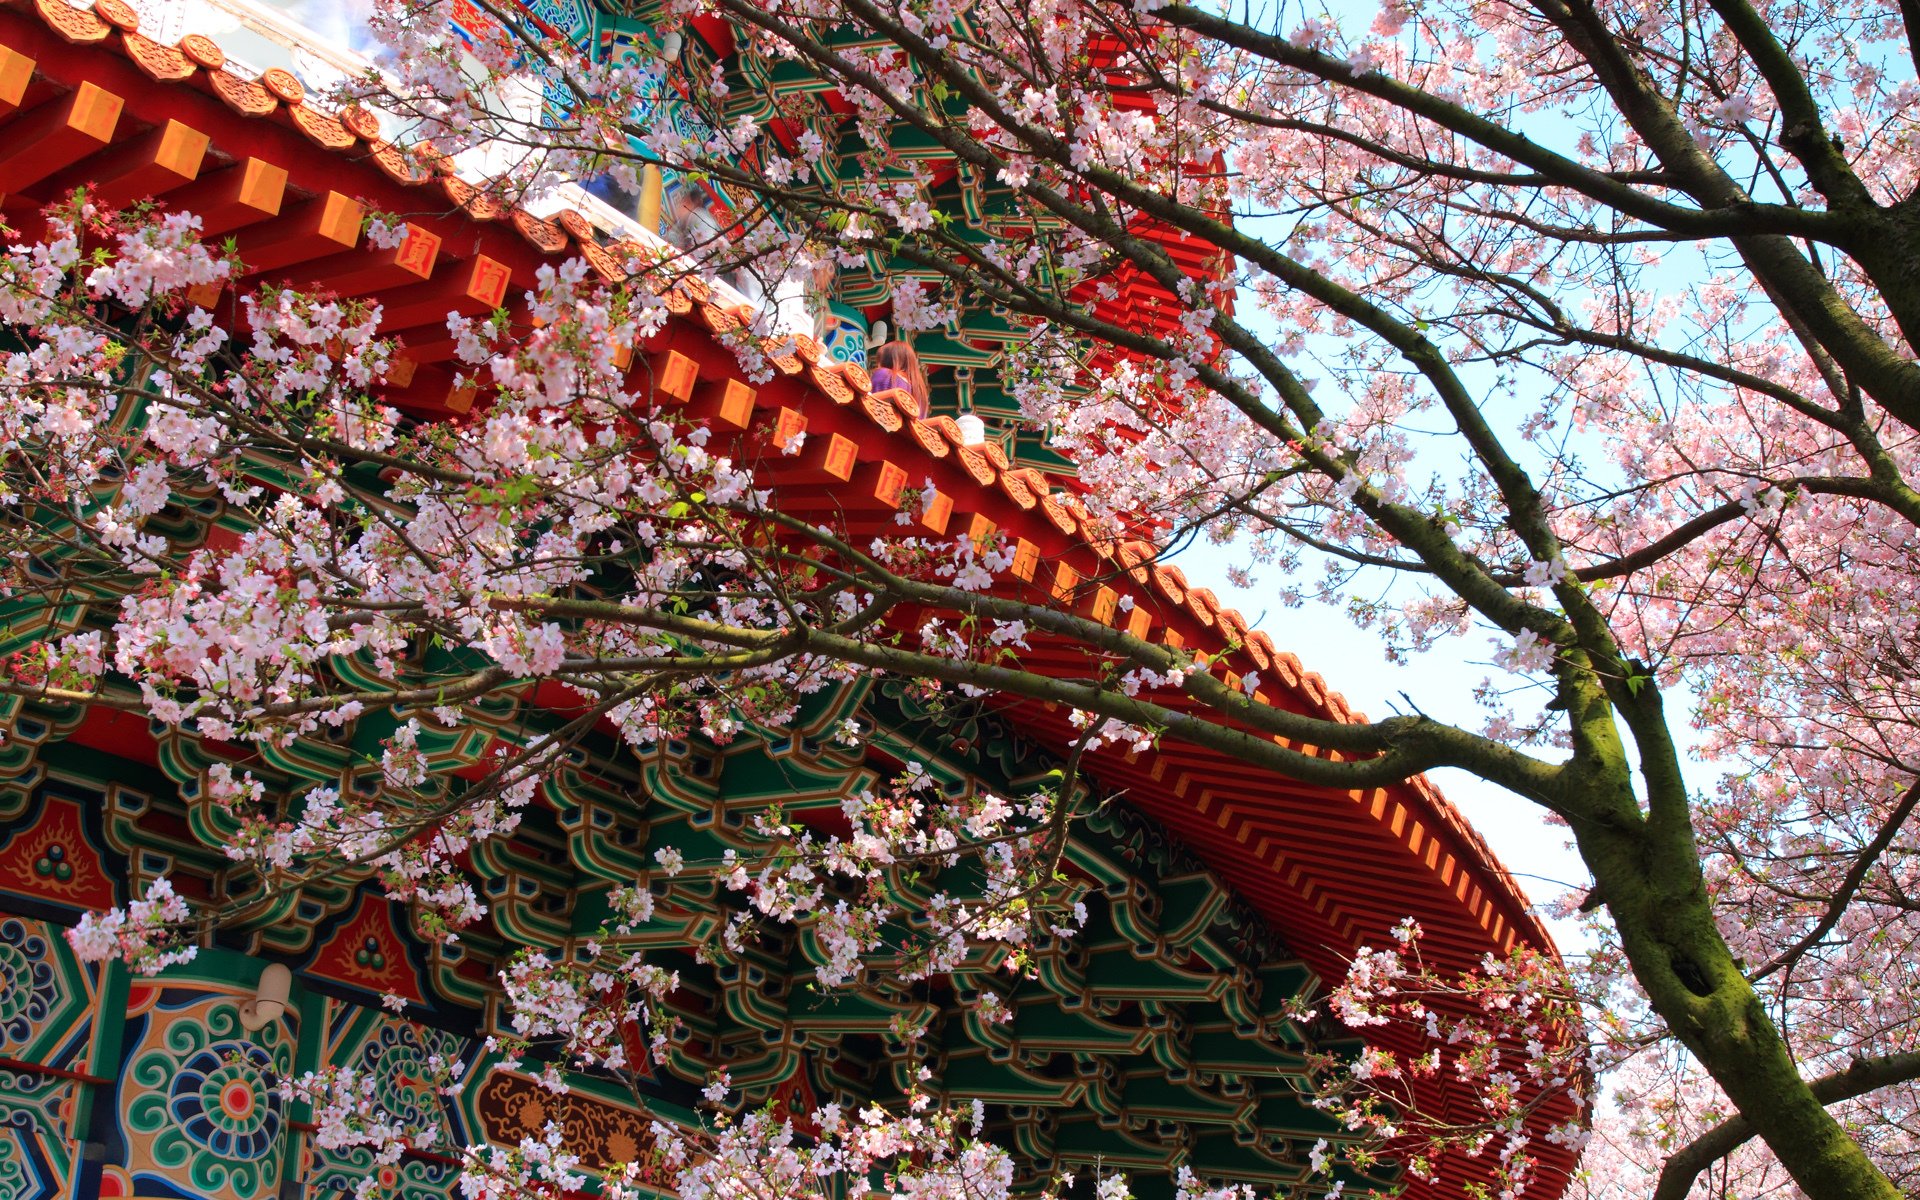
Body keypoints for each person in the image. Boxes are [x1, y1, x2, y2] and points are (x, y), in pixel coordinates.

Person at [868, 340, 931, 419]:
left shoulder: (884, 374)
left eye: (879, 361)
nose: (878, 365)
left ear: (887, 361)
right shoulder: (920, 391)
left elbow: (873, 406)